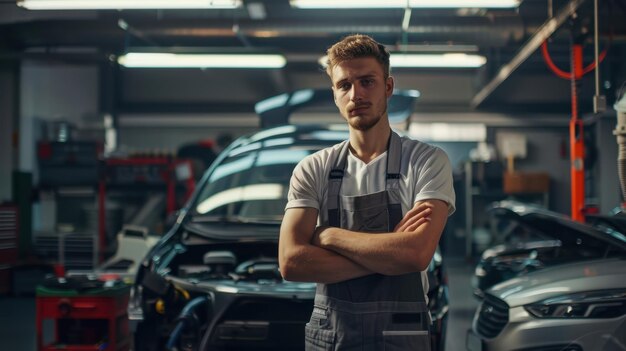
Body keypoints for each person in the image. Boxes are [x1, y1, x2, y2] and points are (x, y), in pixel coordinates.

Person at [278, 34, 456, 350]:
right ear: (334, 94)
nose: (356, 94)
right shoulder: (313, 168)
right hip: (333, 335)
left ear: (388, 87)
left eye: (367, 81)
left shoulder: (426, 161)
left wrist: (329, 236)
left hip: (400, 336)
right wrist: (391, 255)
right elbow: (291, 262)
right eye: (344, 85)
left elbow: (416, 253)